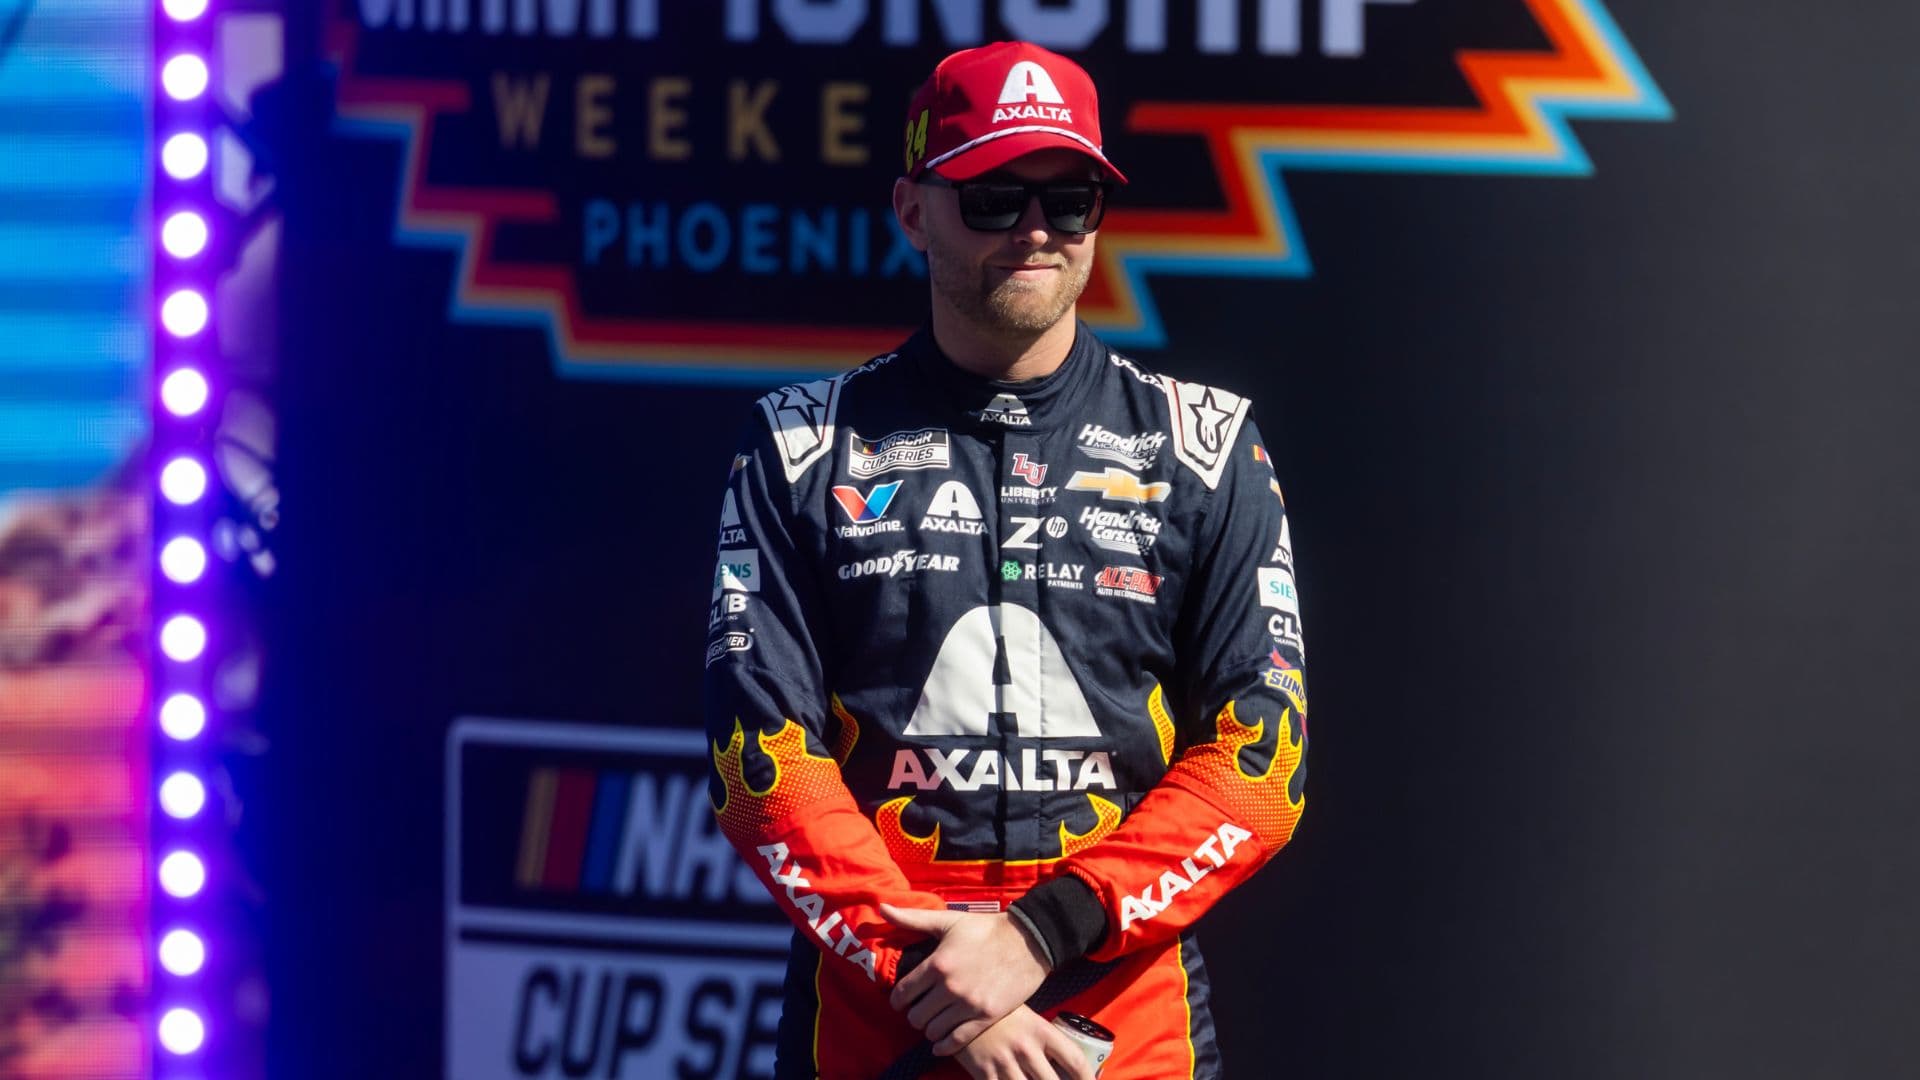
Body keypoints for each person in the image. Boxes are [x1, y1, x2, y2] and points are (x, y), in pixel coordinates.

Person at [705, 40, 1308, 1080]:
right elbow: (761, 763)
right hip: (877, 1029)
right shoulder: (800, 444)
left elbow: (1263, 761)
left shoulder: (1205, 446)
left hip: (1125, 1039)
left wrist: (1035, 938)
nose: (1034, 229)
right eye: (990, 196)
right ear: (911, 210)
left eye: (1068, 197)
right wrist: (948, 995)